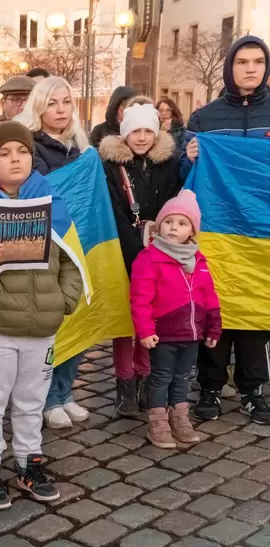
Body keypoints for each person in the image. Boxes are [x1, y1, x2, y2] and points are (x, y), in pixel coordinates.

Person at [0, 121, 83, 510]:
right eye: (5, 153)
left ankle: (30, 462)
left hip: (42, 326)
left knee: (32, 400)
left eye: (23, 152)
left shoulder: (52, 202)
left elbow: (72, 262)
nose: (15, 159)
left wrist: (65, 300)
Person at [181, 35, 270, 423]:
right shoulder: (205, 117)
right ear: (229, 67)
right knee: (215, 306)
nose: (250, 68)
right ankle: (211, 388)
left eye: (258, 62)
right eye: (242, 62)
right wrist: (188, 158)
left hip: (263, 233)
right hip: (218, 230)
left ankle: (253, 389)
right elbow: (185, 178)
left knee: (257, 309)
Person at [15, 76, 91, 429]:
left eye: (66, 102)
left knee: (77, 318)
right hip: (47, 247)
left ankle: (65, 392)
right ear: (39, 107)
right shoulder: (29, 146)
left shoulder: (80, 148)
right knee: (50, 326)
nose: (60, 110)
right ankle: (46, 399)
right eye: (52, 103)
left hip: (80, 242)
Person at [99, 101, 182, 417]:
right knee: (125, 319)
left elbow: (174, 202)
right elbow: (114, 212)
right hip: (125, 250)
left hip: (159, 249)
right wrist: (133, 249)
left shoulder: (168, 164)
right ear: (125, 133)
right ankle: (124, 383)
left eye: (149, 130)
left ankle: (145, 375)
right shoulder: (111, 165)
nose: (143, 137)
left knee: (151, 317)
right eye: (136, 131)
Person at [131, 190, 220, 447]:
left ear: (191, 231)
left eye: (182, 223)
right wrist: (145, 330)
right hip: (163, 332)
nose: (173, 228)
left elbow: (209, 296)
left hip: (191, 333)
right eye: (168, 222)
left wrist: (213, 327)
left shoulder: (198, 260)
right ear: (159, 225)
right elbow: (140, 298)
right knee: (161, 377)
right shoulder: (149, 258)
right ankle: (158, 421)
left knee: (183, 377)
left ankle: (180, 417)